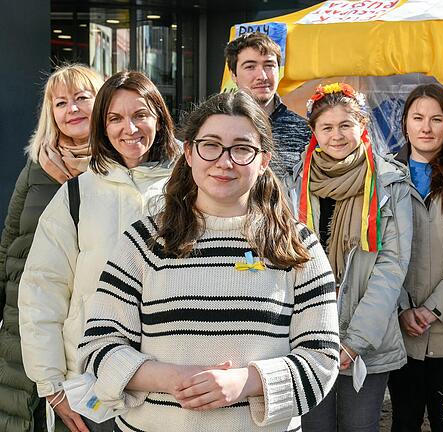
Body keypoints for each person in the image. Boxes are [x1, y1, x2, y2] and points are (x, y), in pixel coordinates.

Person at [76, 91, 339, 432]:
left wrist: (246, 382)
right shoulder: (142, 242)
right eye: (210, 145)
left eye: (242, 149)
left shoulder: (296, 247)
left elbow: (321, 360)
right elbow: (98, 345)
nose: (225, 161)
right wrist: (173, 379)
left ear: (263, 161)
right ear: (188, 152)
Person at [18, 71, 179, 432]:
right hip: (94, 384)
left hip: (174, 383)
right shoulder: (76, 195)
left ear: (159, 116)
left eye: (140, 114)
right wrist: (52, 386)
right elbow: (42, 291)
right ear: (102, 126)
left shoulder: (192, 186)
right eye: (115, 118)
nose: (130, 128)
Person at [289, 82, 412, 432]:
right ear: (314, 132)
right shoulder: (296, 181)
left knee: (361, 425)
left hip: (368, 337)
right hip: (307, 335)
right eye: (326, 127)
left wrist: (356, 340)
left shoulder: (390, 183)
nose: (337, 135)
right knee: (314, 427)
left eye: (345, 125)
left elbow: (392, 267)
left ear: (362, 126)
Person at [0, 64, 102, 432]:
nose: (71, 109)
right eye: (61, 103)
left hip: (88, 324)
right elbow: (10, 242)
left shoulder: (121, 171)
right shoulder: (37, 167)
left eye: (81, 98)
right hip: (27, 319)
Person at [387, 83, 443, 432]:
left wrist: (433, 308)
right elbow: (376, 253)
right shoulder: (382, 179)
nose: (426, 128)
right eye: (418, 118)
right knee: (404, 418)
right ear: (405, 123)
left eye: (436, 119)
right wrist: (401, 308)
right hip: (397, 326)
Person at [224, 32, 311, 180]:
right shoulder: (217, 125)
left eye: (269, 65)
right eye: (250, 67)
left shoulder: (305, 131)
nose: (262, 76)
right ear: (234, 75)